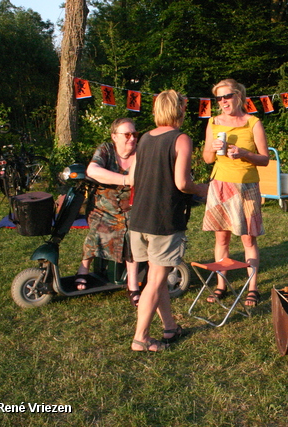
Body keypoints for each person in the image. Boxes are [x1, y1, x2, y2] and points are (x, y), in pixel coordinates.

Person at [129, 90, 208, 352]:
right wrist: (202, 189)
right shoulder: (181, 139)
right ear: (180, 111)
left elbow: (134, 178)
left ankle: (170, 327)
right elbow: (182, 183)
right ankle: (140, 338)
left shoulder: (144, 139)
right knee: (155, 279)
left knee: (156, 275)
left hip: (139, 218)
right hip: (164, 219)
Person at [202, 79, 269, 307]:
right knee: (222, 237)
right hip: (220, 183)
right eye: (219, 98)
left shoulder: (253, 123)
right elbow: (207, 159)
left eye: (227, 96)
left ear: (239, 95)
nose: (223, 102)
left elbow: (265, 159)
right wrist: (211, 150)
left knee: (248, 238)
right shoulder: (213, 123)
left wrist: (244, 154)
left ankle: (252, 288)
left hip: (247, 186)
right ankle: (221, 286)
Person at [75, 118, 141, 307]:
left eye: (134, 134)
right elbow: (93, 170)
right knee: (97, 227)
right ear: (114, 137)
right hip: (104, 205)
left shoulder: (140, 153)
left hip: (131, 207)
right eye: (127, 135)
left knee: (132, 234)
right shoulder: (106, 150)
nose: (132, 139)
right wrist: (125, 179)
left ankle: (132, 285)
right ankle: (83, 269)